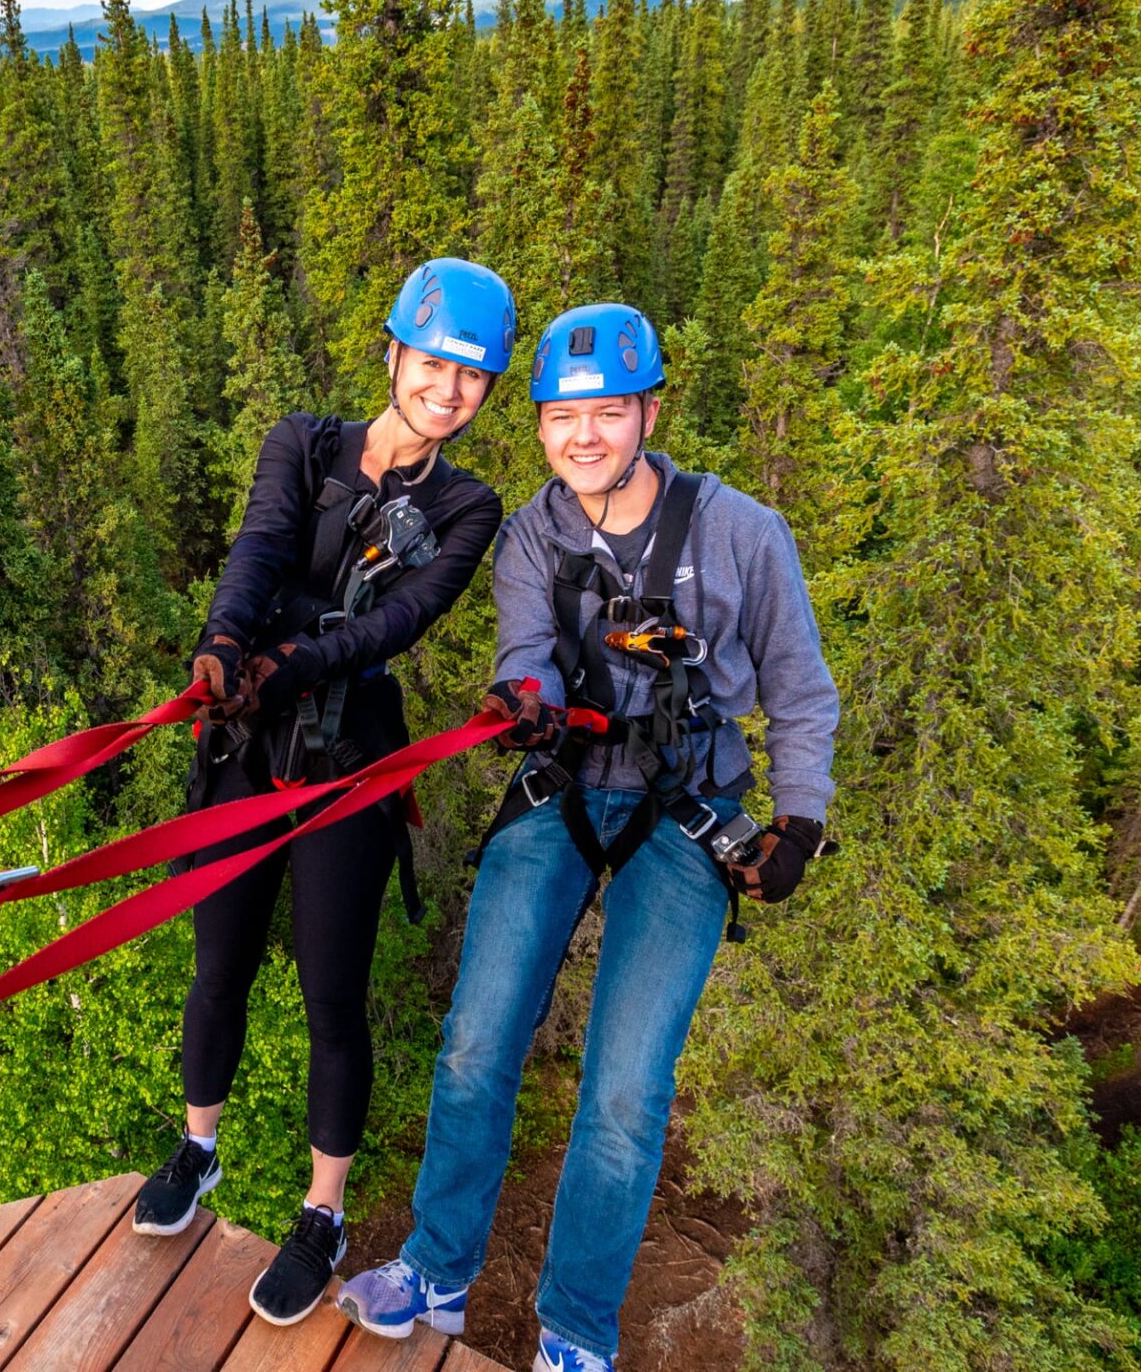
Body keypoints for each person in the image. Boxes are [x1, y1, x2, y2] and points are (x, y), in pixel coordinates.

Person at [336, 303, 840, 1371]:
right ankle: (437, 1268)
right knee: (475, 1043)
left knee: (623, 1092)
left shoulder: (739, 533)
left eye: (607, 413)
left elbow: (799, 689)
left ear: (648, 413)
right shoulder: (533, 535)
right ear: (536, 426)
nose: (583, 438)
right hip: (561, 783)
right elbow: (527, 648)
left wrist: (798, 820)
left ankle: (574, 1333)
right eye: (561, 417)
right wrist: (525, 698)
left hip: (686, 809)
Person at [130, 257, 518, 1328]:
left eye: (471, 379)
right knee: (219, 966)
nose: (447, 390)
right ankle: (197, 1148)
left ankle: (322, 1214)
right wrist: (221, 642)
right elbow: (260, 544)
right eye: (433, 364)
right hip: (245, 739)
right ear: (391, 354)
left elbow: (404, 619)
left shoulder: (468, 506)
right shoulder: (302, 442)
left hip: (348, 760)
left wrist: (295, 665)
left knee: (330, 999)